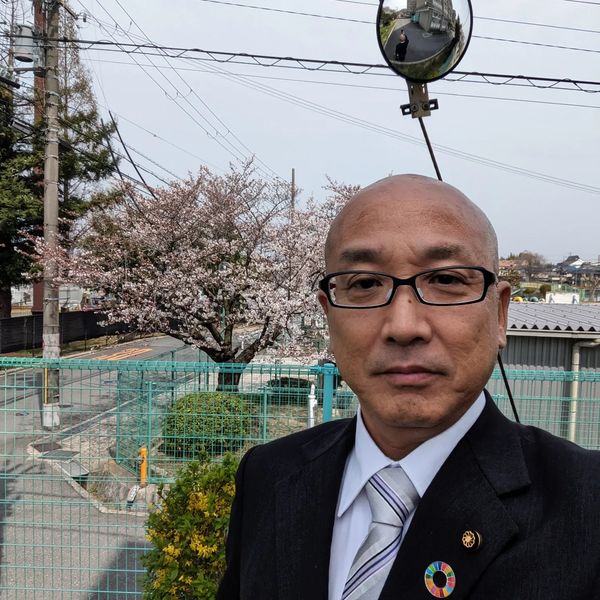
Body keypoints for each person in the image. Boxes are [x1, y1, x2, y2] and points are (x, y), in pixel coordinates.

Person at [217, 175, 600, 600]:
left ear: (500, 314)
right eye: (364, 284)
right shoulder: (268, 475)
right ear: (329, 316)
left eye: (446, 280)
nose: (403, 326)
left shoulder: (587, 503)